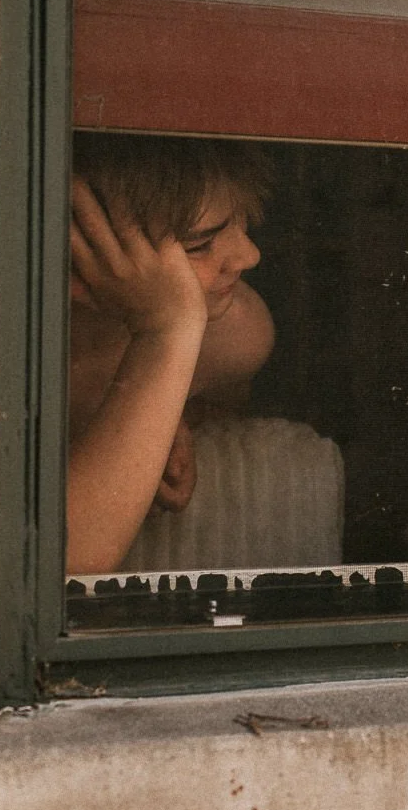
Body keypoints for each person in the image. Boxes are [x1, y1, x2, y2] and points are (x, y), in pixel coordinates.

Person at [65, 134, 275, 576]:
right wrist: (168, 328)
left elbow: (224, 407)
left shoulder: (232, 335)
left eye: (241, 224)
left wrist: (176, 408)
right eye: (200, 244)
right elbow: (64, 565)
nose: (249, 254)